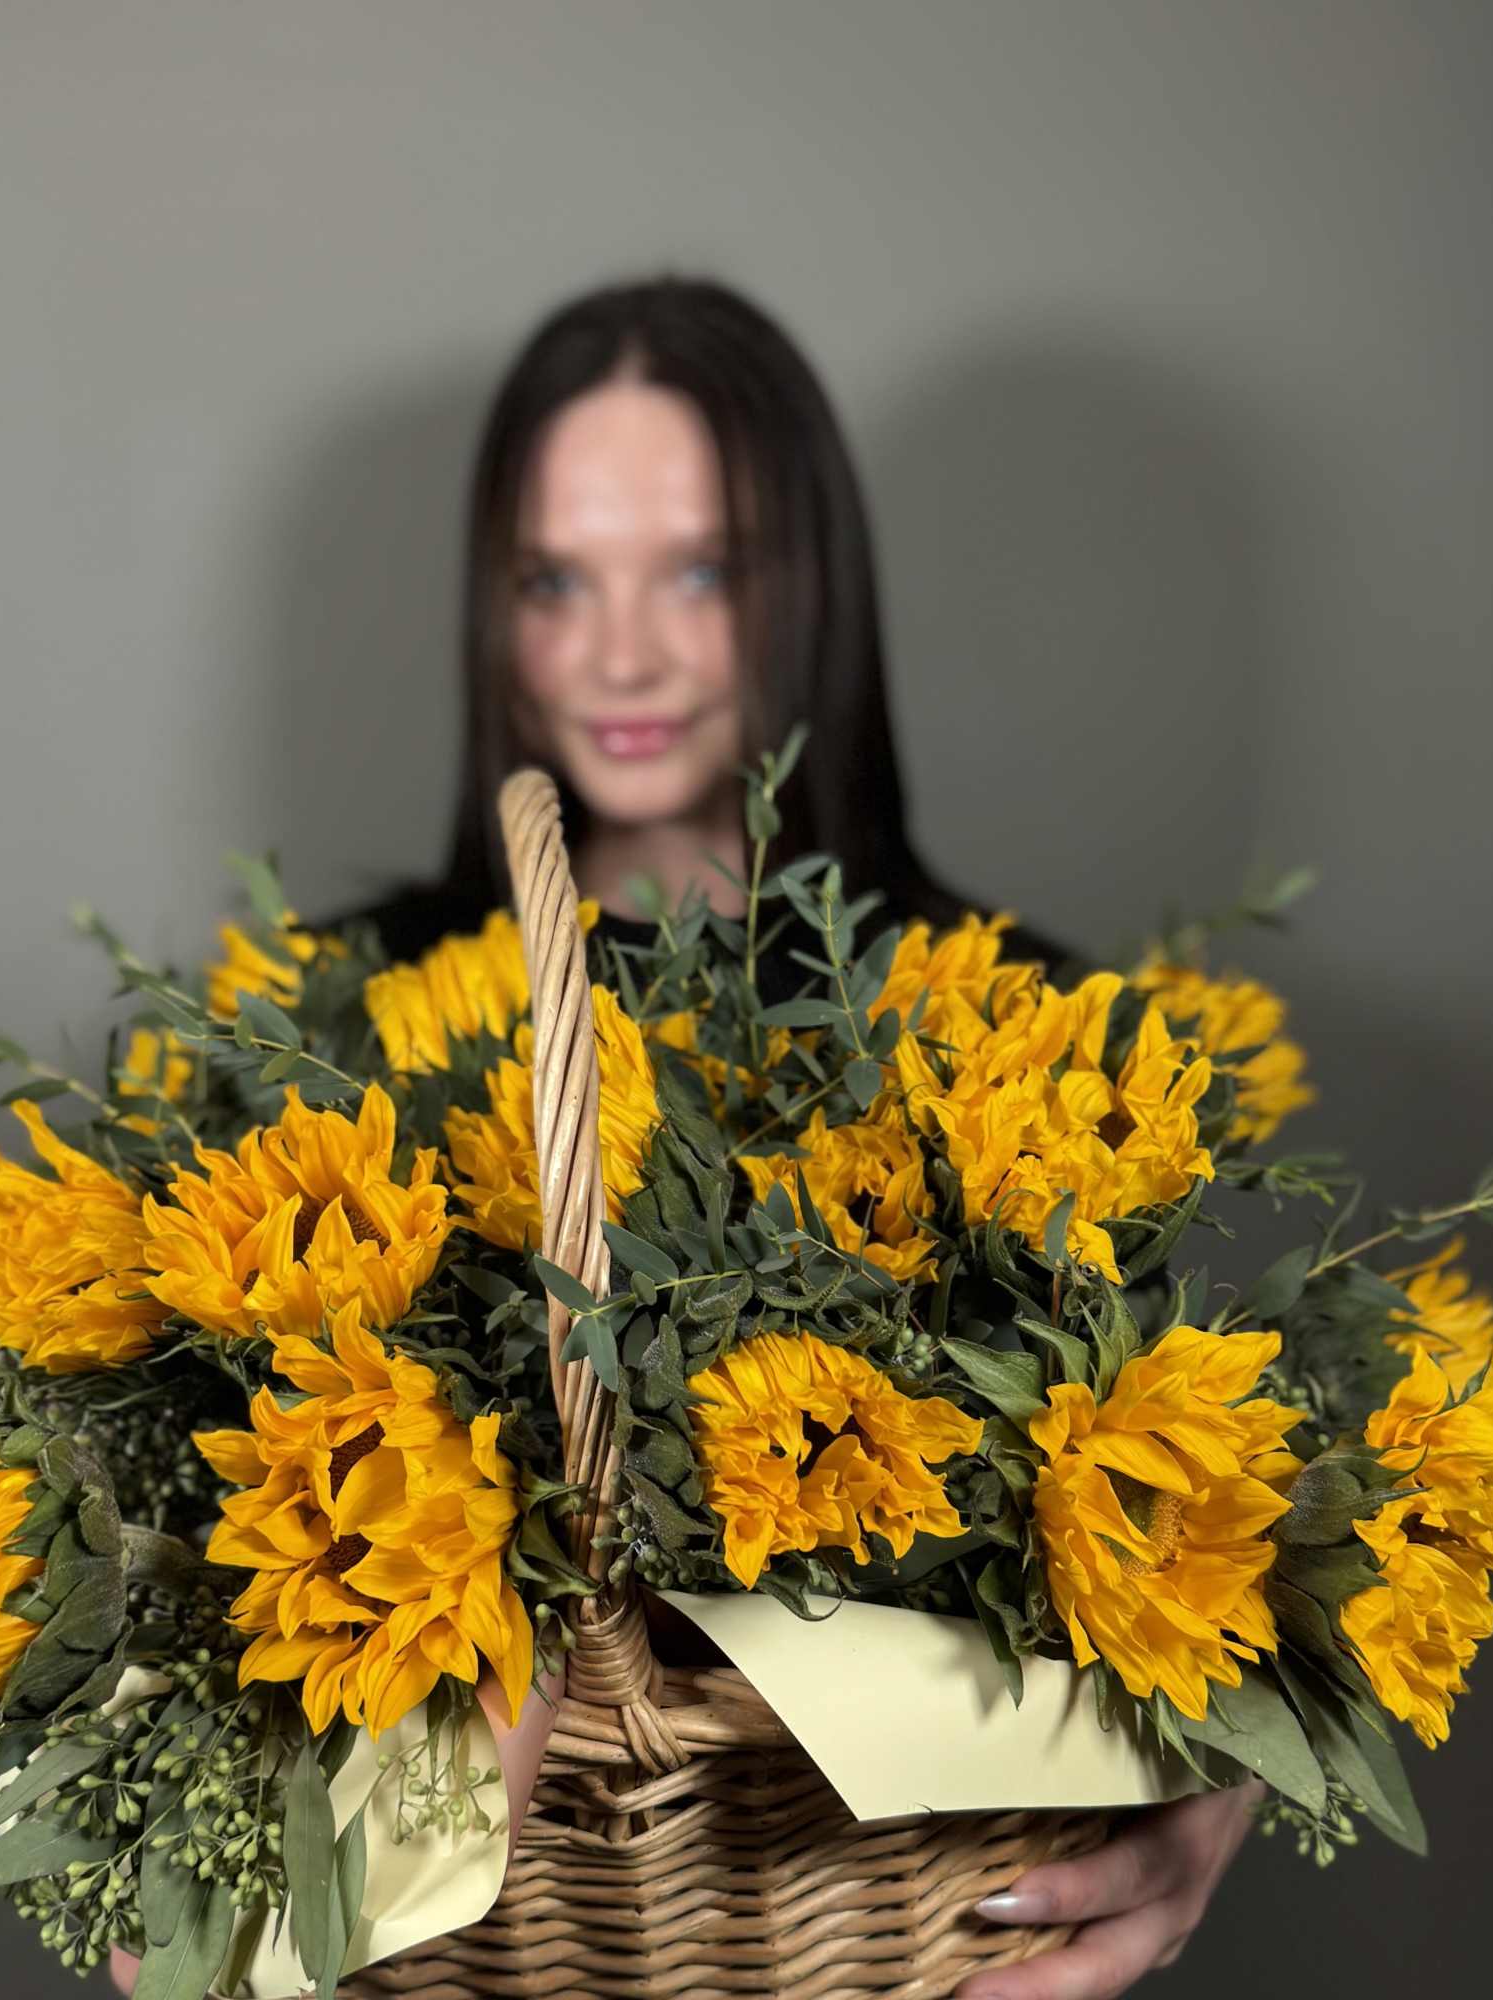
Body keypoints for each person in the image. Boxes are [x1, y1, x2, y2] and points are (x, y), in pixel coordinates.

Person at [312, 276, 1262, 2000]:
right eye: (554, 581)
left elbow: (1203, 1488)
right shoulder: (341, 1022)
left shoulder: (1022, 1029)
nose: (621, 657)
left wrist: (1230, 1776)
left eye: (703, 572)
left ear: (812, 587)